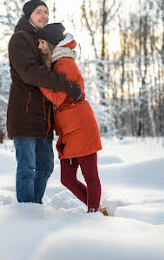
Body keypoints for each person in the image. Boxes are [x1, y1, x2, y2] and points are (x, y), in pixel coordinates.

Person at [7, 0, 84, 204]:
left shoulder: (44, 40)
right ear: (28, 15)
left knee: (46, 167)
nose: (44, 16)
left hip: (44, 119)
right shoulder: (19, 39)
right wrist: (65, 84)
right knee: (27, 168)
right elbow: (30, 73)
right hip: (24, 116)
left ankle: (34, 205)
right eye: (39, 12)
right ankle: (26, 212)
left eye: (46, 12)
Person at [38, 23, 108, 215]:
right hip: (69, 130)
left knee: (90, 176)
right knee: (67, 179)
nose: (40, 47)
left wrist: (39, 81)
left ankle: (94, 214)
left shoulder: (64, 63)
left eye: (42, 42)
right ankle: (97, 209)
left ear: (51, 44)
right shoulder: (56, 63)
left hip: (80, 126)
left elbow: (58, 97)